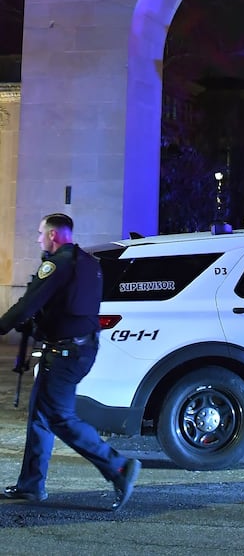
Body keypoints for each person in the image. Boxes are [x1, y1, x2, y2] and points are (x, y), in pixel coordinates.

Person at [0, 213, 140, 509]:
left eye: (40, 233)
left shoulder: (58, 264)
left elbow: (27, 305)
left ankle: (119, 466)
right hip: (78, 349)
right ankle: (31, 485)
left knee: (60, 418)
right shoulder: (87, 262)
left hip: (64, 354)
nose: (38, 238)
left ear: (53, 235)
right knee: (40, 416)